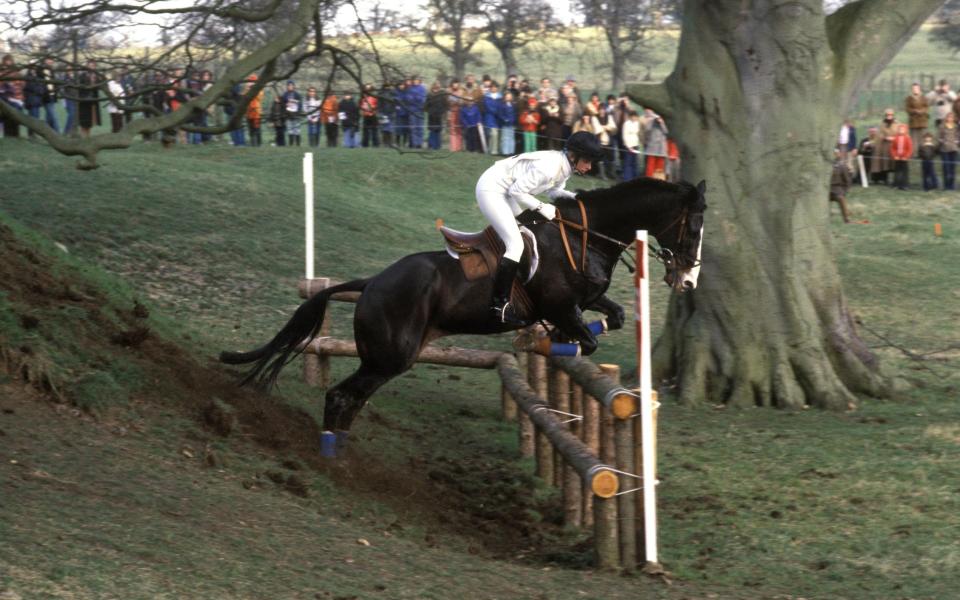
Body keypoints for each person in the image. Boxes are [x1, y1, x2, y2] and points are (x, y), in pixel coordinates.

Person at [475, 131, 606, 324]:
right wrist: (541, 207)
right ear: (573, 156)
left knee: (528, 230)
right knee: (516, 245)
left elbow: (555, 191)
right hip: (492, 190)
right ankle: (499, 306)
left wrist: (578, 198)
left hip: (507, 192)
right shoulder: (549, 166)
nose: (589, 166)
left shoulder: (564, 166)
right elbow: (517, 191)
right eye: (587, 161)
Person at [77, 60, 101, 138]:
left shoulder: (96, 76)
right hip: (84, 101)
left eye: (93, 66)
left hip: (93, 101)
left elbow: (99, 86)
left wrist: (95, 81)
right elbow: (80, 87)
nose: (92, 67)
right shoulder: (82, 75)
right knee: (84, 120)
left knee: (90, 121)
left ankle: (87, 137)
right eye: (90, 65)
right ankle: (83, 136)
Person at [643, 108, 669, 178]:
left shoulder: (664, 121)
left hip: (661, 148)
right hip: (652, 147)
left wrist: (662, 122)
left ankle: (658, 180)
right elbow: (647, 129)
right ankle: (649, 180)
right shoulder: (651, 121)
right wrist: (652, 120)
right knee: (650, 166)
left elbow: (667, 132)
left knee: (660, 167)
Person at [905, 83, 929, 156]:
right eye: (914, 88)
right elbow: (907, 108)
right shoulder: (909, 98)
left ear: (919, 89)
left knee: (922, 137)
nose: (915, 90)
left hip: (922, 120)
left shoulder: (924, 97)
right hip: (913, 121)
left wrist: (922, 111)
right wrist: (914, 111)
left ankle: (922, 153)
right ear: (912, 89)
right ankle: (914, 153)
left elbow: (927, 107)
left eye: (916, 88)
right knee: (914, 138)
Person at [829, 149, 852, 224]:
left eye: (836, 153)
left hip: (837, 189)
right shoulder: (825, 165)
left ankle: (846, 218)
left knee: (841, 198)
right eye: (833, 153)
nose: (835, 155)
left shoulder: (842, 166)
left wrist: (844, 191)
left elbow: (847, 181)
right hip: (825, 190)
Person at [938, 111, 959, 190]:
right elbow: (939, 137)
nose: (950, 119)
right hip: (945, 150)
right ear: (946, 118)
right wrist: (943, 142)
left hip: (954, 150)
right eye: (948, 117)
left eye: (951, 117)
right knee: (946, 168)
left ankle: (951, 185)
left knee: (952, 168)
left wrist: (957, 141)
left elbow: (958, 136)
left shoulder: (956, 127)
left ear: (953, 119)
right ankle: (946, 185)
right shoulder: (942, 126)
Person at [889, 123, 913, 190]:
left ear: (905, 130)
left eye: (903, 129)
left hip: (904, 158)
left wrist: (906, 156)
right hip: (897, 158)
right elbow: (892, 148)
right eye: (900, 129)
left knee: (904, 171)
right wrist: (894, 156)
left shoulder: (907, 138)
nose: (901, 130)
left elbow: (910, 149)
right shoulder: (895, 138)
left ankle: (904, 185)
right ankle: (896, 184)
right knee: (897, 171)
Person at [621, 110, 642, 181]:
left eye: (636, 117)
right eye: (634, 117)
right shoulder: (626, 124)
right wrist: (628, 146)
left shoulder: (637, 123)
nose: (635, 118)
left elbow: (637, 134)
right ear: (631, 117)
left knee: (634, 162)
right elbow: (624, 136)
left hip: (635, 145)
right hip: (629, 146)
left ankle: (634, 178)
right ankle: (627, 179)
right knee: (628, 163)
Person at [426, 81, 447, 150]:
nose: (436, 88)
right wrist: (429, 111)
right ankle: (431, 145)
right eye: (435, 86)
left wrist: (443, 112)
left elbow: (445, 104)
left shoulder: (442, 94)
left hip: (439, 115)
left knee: (438, 130)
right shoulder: (429, 95)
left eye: (438, 86)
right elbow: (426, 105)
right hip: (431, 115)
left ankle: (437, 146)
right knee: (432, 130)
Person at [482, 82, 502, 154]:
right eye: (492, 87)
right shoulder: (487, 97)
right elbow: (487, 106)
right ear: (490, 88)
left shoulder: (500, 97)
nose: (494, 88)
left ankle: (493, 150)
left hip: (497, 118)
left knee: (495, 134)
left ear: (497, 88)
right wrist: (495, 111)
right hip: (489, 117)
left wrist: (498, 112)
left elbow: (500, 107)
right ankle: (491, 150)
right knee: (491, 134)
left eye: (495, 87)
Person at [407, 76, 427, 149]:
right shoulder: (410, 88)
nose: (416, 81)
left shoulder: (422, 88)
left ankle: (420, 143)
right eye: (414, 80)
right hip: (412, 110)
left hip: (420, 110)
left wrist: (416, 98)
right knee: (413, 127)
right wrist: (416, 98)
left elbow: (422, 99)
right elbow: (409, 99)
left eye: (417, 80)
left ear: (419, 81)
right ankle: (414, 143)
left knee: (420, 127)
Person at [245, 74, 264, 147]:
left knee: (257, 128)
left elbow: (259, 98)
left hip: (257, 112)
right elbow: (245, 97)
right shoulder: (247, 88)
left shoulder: (259, 89)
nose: (251, 83)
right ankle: (253, 144)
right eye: (250, 81)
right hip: (249, 112)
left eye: (253, 81)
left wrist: (253, 89)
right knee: (251, 129)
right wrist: (248, 88)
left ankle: (259, 144)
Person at [282, 80, 302, 146]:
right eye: (289, 85)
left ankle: (298, 145)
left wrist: (298, 113)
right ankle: (291, 145)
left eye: (291, 85)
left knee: (297, 131)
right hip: (288, 115)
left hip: (296, 115)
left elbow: (300, 104)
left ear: (293, 86)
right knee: (290, 130)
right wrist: (286, 105)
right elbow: (283, 104)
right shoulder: (285, 95)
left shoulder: (297, 94)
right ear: (287, 86)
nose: (290, 86)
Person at [446, 79, 464, 152]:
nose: (455, 85)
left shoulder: (461, 91)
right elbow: (447, 101)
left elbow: (462, 101)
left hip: (459, 112)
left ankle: (459, 147)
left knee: (459, 129)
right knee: (452, 129)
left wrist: (458, 101)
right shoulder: (448, 91)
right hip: (451, 112)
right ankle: (453, 147)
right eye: (454, 83)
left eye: (456, 83)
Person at [499, 90, 516, 155]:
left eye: (509, 97)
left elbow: (514, 114)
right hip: (505, 124)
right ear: (505, 97)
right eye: (507, 97)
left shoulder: (512, 105)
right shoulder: (502, 105)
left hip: (511, 124)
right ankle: (505, 152)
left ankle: (511, 151)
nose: (508, 98)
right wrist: (505, 119)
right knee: (505, 138)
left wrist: (513, 120)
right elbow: (500, 114)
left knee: (511, 137)